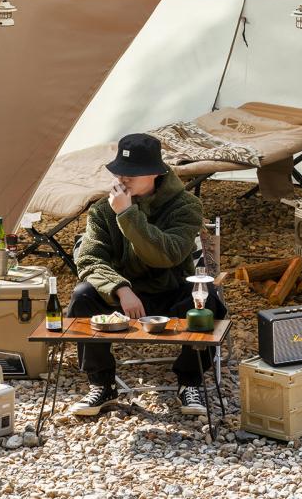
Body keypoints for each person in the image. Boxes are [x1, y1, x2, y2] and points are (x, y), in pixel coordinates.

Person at [67, 133, 226, 416]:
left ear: (154, 173)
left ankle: (190, 381)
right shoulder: (104, 210)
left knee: (208, 298)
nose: (122, 179)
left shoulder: (185, 206)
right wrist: (120, 288)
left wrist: (127, 215)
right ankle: (102, 384)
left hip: (170, 292)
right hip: (123, 298)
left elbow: (168, 254)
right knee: (82, 297)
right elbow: (90, 259)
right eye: (120, 172)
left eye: (131, 174)